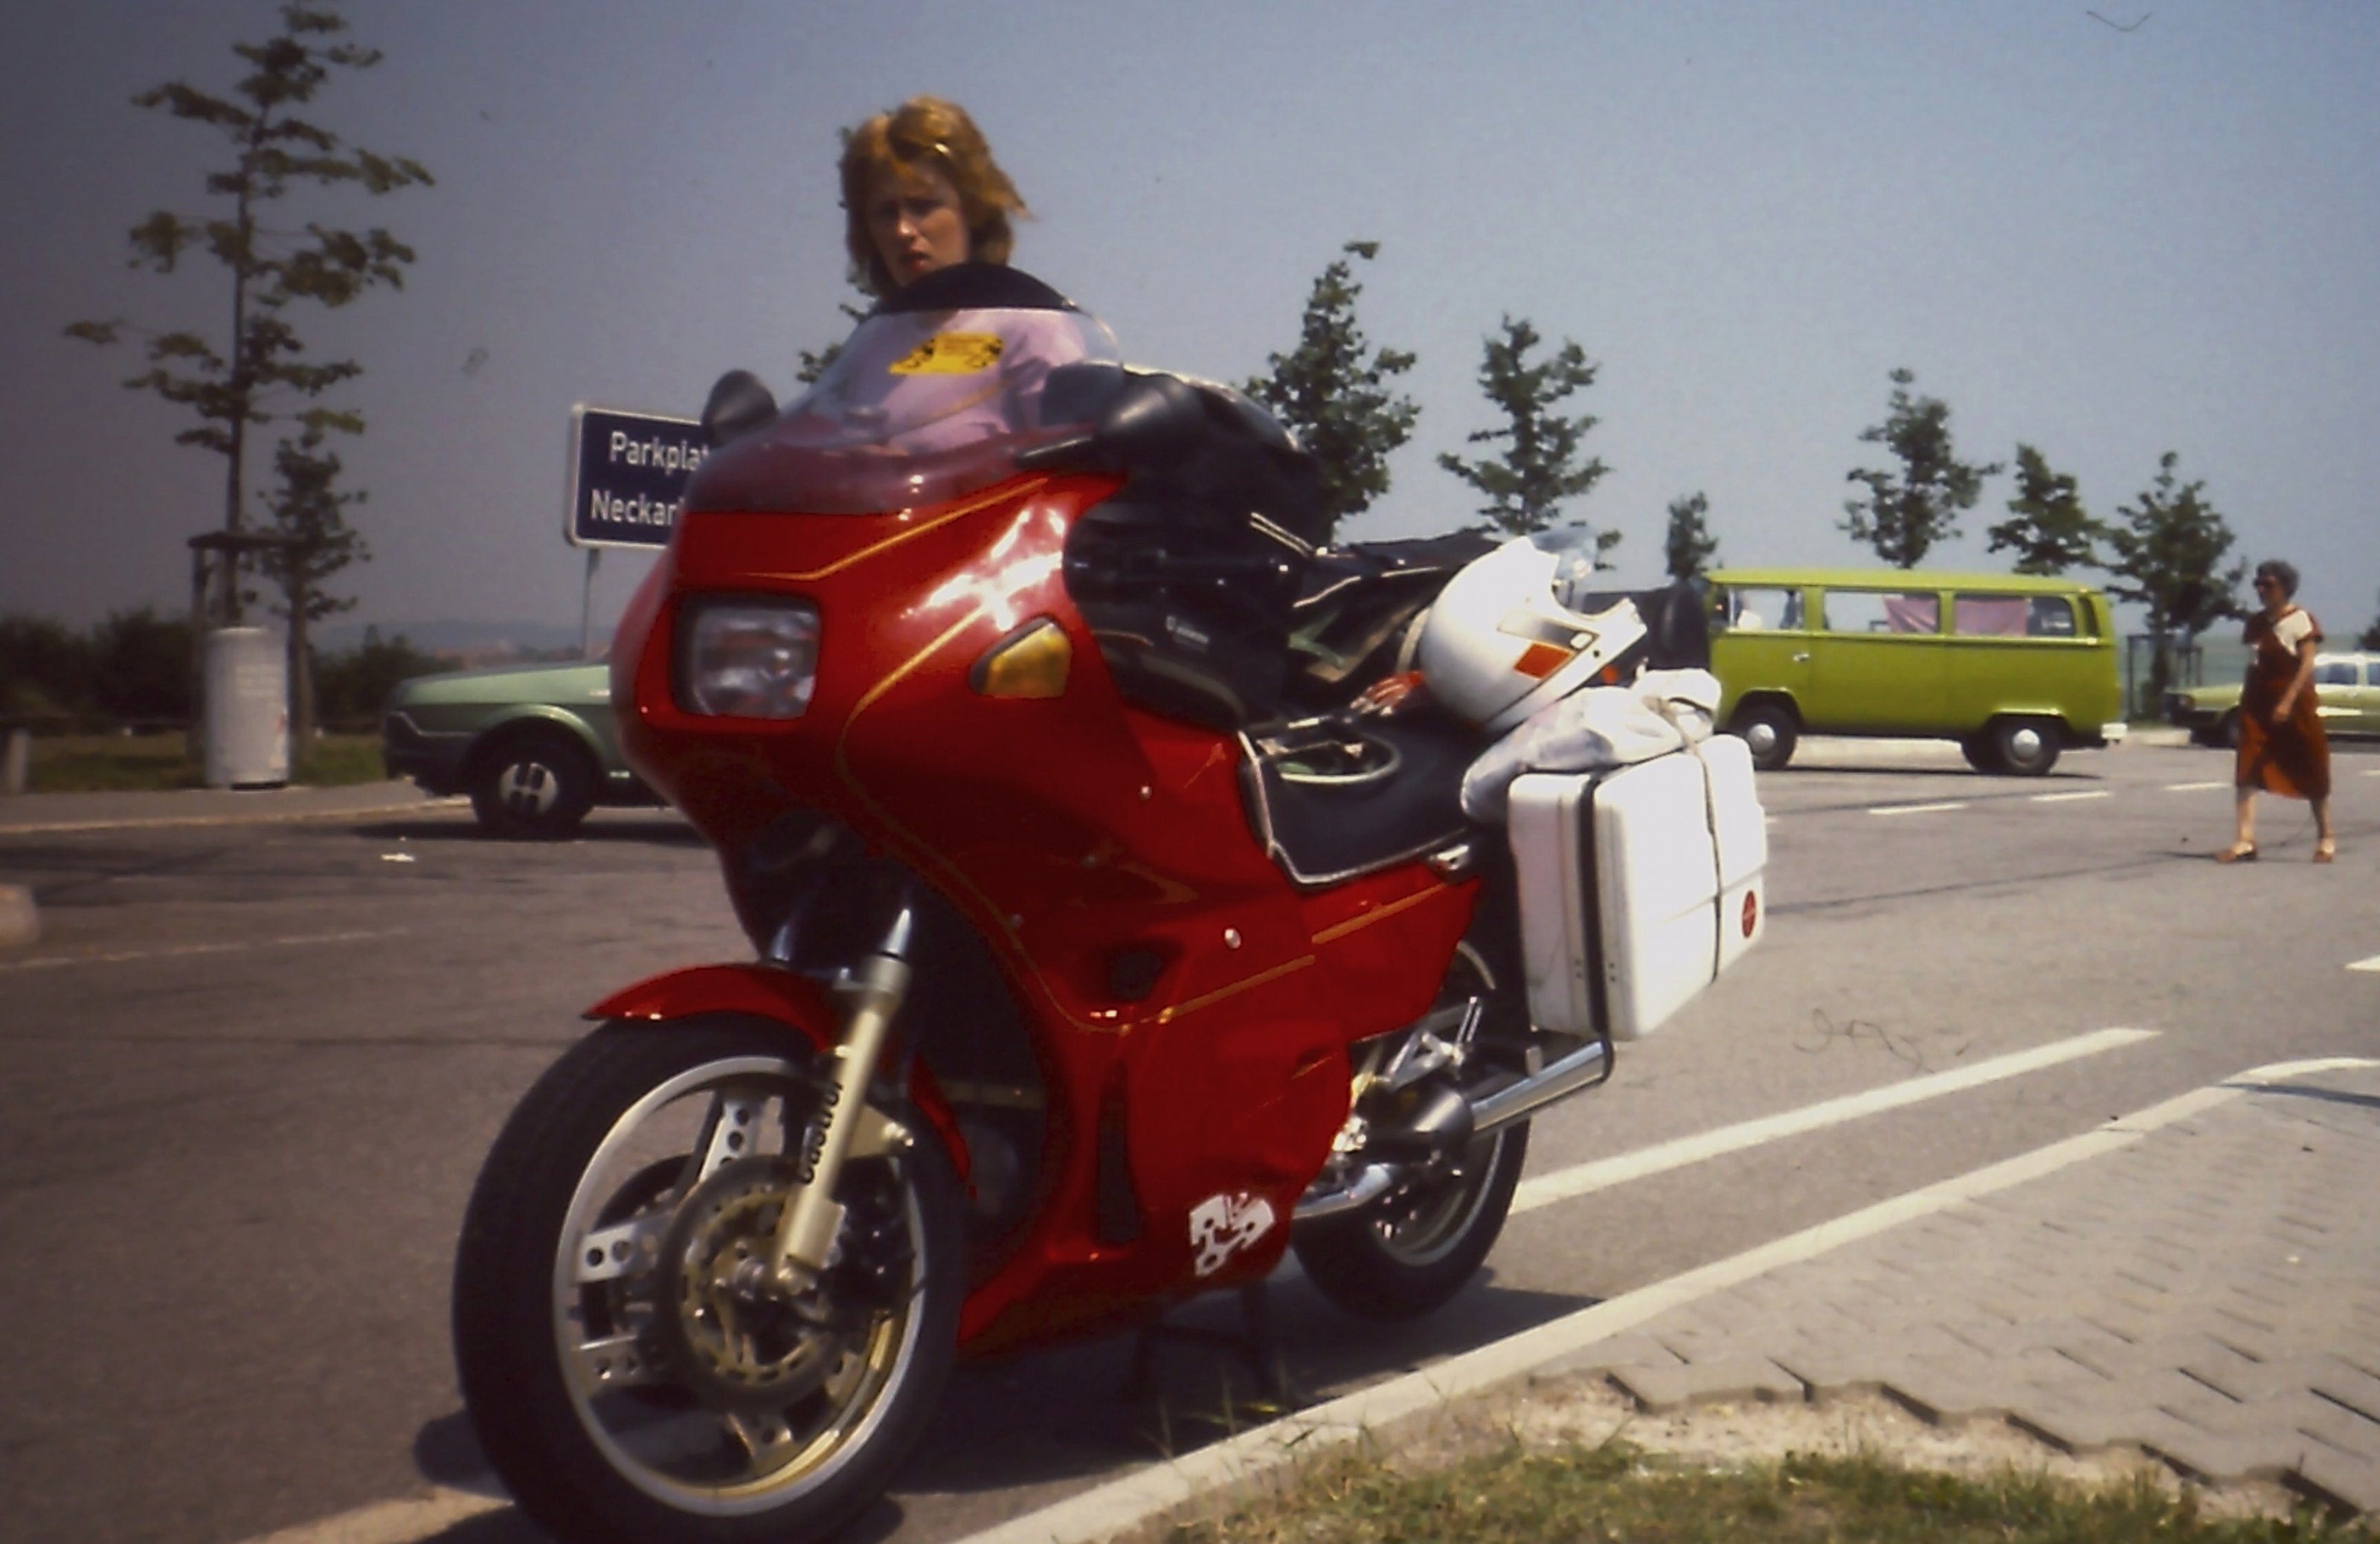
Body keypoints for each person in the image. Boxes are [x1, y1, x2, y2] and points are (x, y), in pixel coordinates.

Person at [810, 96, 1118, 451]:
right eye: (885, 212)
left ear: (972, 210)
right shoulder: (869, 346)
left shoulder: (1033, 332)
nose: (902, 230)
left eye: (922, 206)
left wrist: (914, 469)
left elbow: (1075, 467)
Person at [2218, 559, 2335, 863]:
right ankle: (2245, 840)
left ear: (2285, 587)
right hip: (2258, 701)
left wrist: (2288, 701)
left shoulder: (2301, 620)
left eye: (2268, 585)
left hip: (2296, 702)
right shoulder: (2256, 624)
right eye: (2258, 584)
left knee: (2311, 763)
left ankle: (2325, 836)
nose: (2261, 590)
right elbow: (2254, 663)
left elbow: (2306, 664)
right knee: (2247, 766)